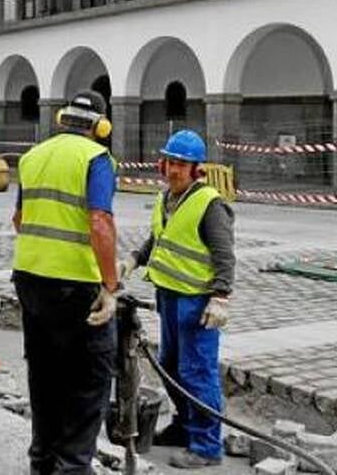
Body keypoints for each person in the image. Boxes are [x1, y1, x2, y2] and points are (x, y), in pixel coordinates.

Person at [11, 90, 122, 474]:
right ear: (101, 127)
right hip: (76, 287)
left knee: (44, 375)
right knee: (88, 379)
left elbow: (19, 220)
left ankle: (42, 462)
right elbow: (100, 222)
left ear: (62, 119)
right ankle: (73, 467)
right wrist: (110, 286)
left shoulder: (32, 158)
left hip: (29, 280)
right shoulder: (97, 158)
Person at [121, 130, 234, 469]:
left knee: (197, 372)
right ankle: (185, 428)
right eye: (170, 162)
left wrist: (221, 297)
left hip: (197, 303)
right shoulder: (166, 197)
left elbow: (224, 255)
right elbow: (159, 239)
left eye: (182, 165)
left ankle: (206, 446)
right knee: (170, 365)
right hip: (168, 296)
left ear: (196, 169)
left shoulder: (209, 204)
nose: (174, 170)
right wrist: (132, 260)